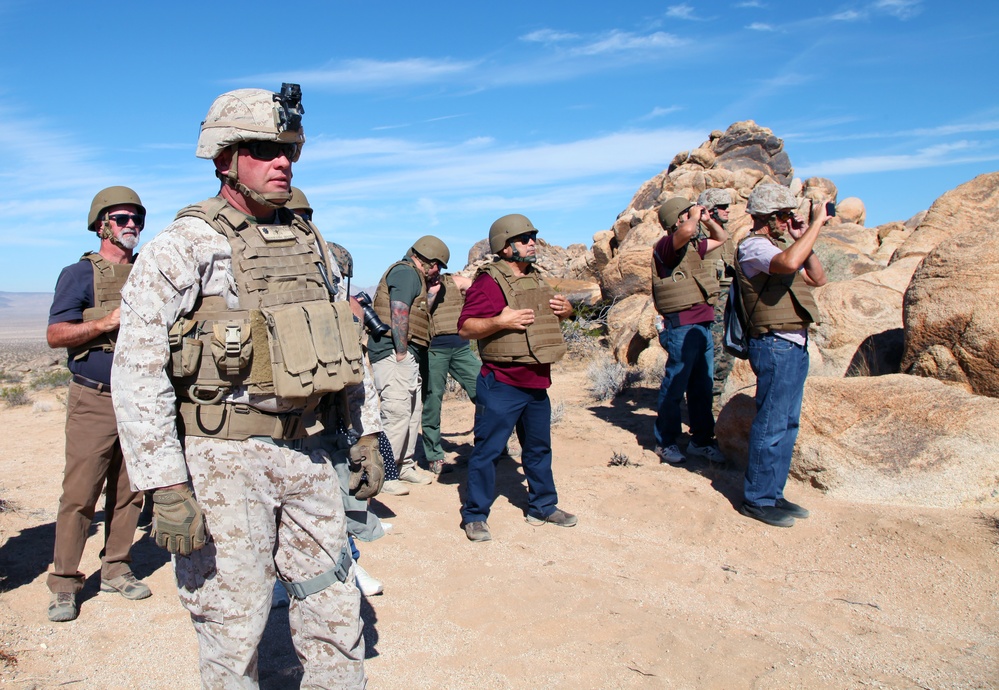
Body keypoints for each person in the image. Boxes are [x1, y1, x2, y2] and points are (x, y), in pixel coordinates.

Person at [112, 85, 381, 688]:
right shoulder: (185, 246)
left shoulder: (314, 245)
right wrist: (166, 484)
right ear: (224, 161)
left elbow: (339, 344)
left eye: (288, 149)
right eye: (263, 149)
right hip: (223, 460)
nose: (282, 160)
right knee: (231, 622)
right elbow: (137, 371)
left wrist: (364, 436)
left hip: (307, 449)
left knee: (334, 601)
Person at [44, 186, 151, 622]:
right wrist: (107, 322)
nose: (132, 227)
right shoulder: (78, 274)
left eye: (137, 219)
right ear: (101, 224)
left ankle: (117, 568)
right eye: (123, 219)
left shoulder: (149, 271)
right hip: (94, 398)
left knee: (130, 491)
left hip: (142, 400)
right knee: (80, 494)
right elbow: (55, 335)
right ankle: (65, 583)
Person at [457, 213, 576, 542]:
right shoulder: (488, 282)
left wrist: (566, 312)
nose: (532, 243)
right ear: (505, 247)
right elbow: (466, 327)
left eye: (533, 237)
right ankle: (475, 515)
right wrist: (500, 321)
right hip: (502, 383)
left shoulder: (536, 278)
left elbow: (544, 324)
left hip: (537, 382)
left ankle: (543, 505)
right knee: (488, 451)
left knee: (538, 449)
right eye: (524, 239)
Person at [736, 183, 828, 528]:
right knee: (772, 422)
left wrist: (803, 237)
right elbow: (789, 262)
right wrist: (817, 223)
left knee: (787, 423)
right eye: (785, 215)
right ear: (768, 218)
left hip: (792, 344)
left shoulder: (778, 245)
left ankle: (772, 492)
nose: (789, 220)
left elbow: (817, 278)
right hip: (775, 344)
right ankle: (757, 499)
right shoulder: (754, 248)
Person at [367, 236, 451, 491]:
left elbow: (416, 312)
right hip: (394, 355)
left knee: (411, 413)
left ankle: (404, 466)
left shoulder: (415, 276)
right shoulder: (405, 273)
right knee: (396, 413)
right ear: (428, 259)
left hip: (406, 355)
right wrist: (401, 352)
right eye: (438, 265)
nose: (438, 271)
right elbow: (399, 310)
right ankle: (385, 475)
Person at [651, 197, 728, 465]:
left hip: (702, 324)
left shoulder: (691, 247)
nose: (692, 217)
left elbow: (722, 237)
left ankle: (701, 440)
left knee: (702, 386)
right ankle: (666, 441)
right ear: (676, 219)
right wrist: (692, 218)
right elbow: (684, 231)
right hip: (682, 325)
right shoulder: (666, 246)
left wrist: (706, 220)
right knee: (675, 386)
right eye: (686, 213)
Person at [421, 271, 478, 474]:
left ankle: (488, 445)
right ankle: (435, 456)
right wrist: (431, 293)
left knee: (485, 391)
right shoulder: (418, 287)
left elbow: (480, 291)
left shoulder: (456, 282)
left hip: (461, 348)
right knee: (432, 401)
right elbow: (419, 315)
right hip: (434, 350)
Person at [696, 188, 737, 404]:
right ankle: (703, 406)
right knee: (709, 355)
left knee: (726, 355)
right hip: (709, 305)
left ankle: (715, 401)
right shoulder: (697, 235)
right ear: (710, 210)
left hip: (728, 302)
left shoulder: (726, 236)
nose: (728, 210)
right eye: (722, 207)